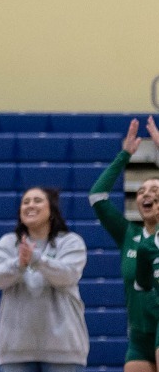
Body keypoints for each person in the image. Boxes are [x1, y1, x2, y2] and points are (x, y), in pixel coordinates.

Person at [0, 187, 89, 372]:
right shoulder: (8, 243)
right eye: (25, 202)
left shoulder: (71, 242)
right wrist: (19, 264)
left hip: (64, 350)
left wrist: (36, 259)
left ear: (52, 210)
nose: (30, 205)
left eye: (37, 201)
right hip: (15, 351)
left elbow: (68, 275)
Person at [89, 119, 159, 372]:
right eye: (141, 191)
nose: (146, 194)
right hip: (139, 337)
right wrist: (124, 155)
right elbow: (97, 196)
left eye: (154, 189)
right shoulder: (128, 234)